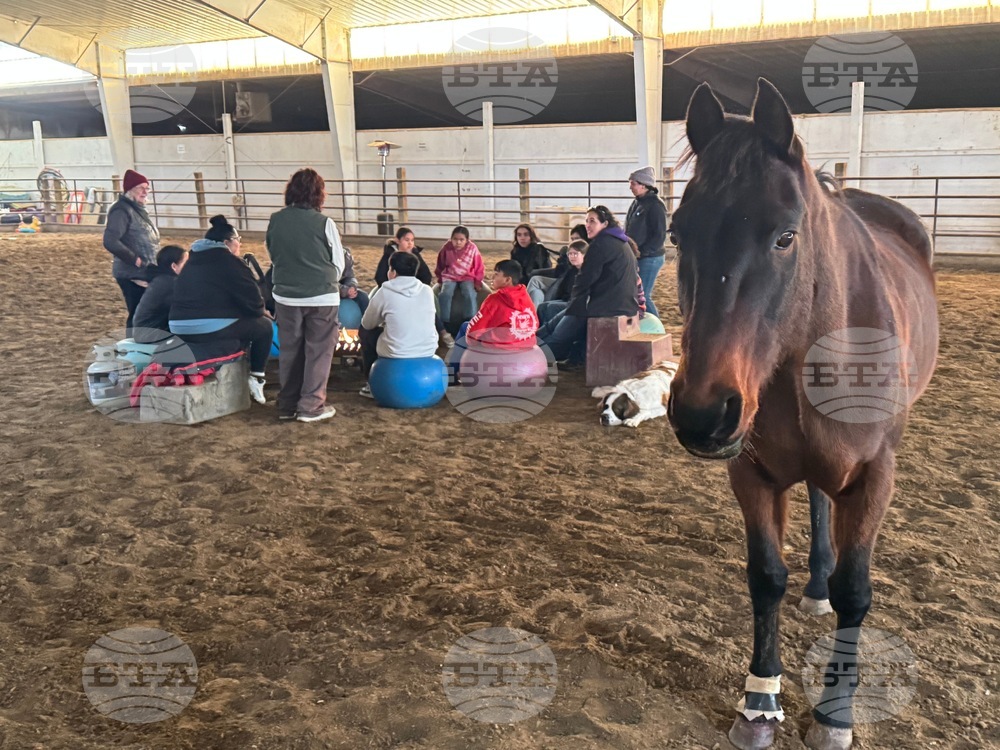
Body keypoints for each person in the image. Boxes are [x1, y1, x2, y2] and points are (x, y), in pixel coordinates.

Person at [266, 167, 345, 423]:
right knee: (319, 351)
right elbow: (338, 262)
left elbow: (273, 253)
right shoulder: (324, 223)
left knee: (291, 349)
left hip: (286, 296)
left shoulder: (275, 219)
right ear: (318, 194)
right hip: (322, 296)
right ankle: (311, 405)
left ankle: (287, 403)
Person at [168, 215, 272, 403]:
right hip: (207, 327)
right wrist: (260, 310)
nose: (239, 245)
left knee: (239, 324)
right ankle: (257, 377)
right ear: (227, 242)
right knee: (264, 327)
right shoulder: (231, 262)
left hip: (177, 326)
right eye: (238, 241)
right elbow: (254, 302)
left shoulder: (191, 262)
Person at [536, 205, 638, 365]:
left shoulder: (601, 244)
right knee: (558, 318)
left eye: (592, 221)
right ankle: (532, 346)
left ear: (605, 224)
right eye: (586, 221)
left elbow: (584, 279)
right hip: (620, 304)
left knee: (559, 331)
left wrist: (575, 307)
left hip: (607, 307)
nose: (587, 225)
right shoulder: (620, 241)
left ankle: (531, 353)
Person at [358, 251, 438, 399]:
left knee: (365, 332)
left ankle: (370, 382)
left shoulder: (385, 291)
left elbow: (367, 323)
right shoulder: (427, 291)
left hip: (397, 352)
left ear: (393, 272)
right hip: (427, 349)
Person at [103, 169, 160, 331]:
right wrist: (135, 259)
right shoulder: (121, 210)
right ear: (130, 189)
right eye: (141, 187)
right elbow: (110, 240)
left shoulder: (137, 209)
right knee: (138, 312)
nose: (145, 191)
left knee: (143, 312)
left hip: (143, 269)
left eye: (147, 188)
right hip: (132, 272)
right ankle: (133, 347)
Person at [625, 166, 668, 318]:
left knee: (643, 294)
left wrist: (642, 252)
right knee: (639, 293)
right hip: (641, 256)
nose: (630, 187)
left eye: (633, 183)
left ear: (643, 184)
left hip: (650, 257)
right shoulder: (638, 203)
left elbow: (659, 235)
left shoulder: (655, 206)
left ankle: (656, 326)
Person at [434, 226, 484, 335]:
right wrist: (440, 278)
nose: (458, 242)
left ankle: (470, 320)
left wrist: (477, 281)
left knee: (469, 293)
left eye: (461, 240)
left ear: (467, 240)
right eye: (455, 239)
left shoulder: (472, 249)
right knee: (445, 294)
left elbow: (479, 265)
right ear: (451, 239)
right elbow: (440, 263)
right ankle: (445, 321)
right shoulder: (446, 248)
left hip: (467, 276)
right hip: (450, 275)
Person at [132, 245, 187, 343]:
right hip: (150, 334)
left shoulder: (162, 279)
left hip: (146, 331)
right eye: (186, 263)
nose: (189, 266)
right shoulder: (169, 283)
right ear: (174, 266)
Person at [526, 224, 586, 307]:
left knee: (535, 280)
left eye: (577, 239)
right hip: (561, 277)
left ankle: (529, 314)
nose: (573, 242)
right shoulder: (568, 250)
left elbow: (564, 274)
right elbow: (559, 270)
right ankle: (533, 314)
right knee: (536, 291)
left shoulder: (583, 253)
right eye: (572, 239)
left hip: (563, 281)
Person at [536, 239, 586, 325]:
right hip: (566, 299)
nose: (572, 256)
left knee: (551, 307)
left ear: (584, 255)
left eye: (575, 254)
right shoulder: (571, 270)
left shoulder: (587, 271)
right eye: (570, 254)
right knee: (542, 306)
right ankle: (540, 330)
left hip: (576, 304)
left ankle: (549, 332)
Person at [339, 246, 369, 316]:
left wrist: (351, 286)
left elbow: (350, 276)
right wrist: (345, 290)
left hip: (344, 289)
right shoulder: (324, 254)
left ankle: (366, 326)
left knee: (363, 296)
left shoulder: (345, 254)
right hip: (329, 292)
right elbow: (325, 281)